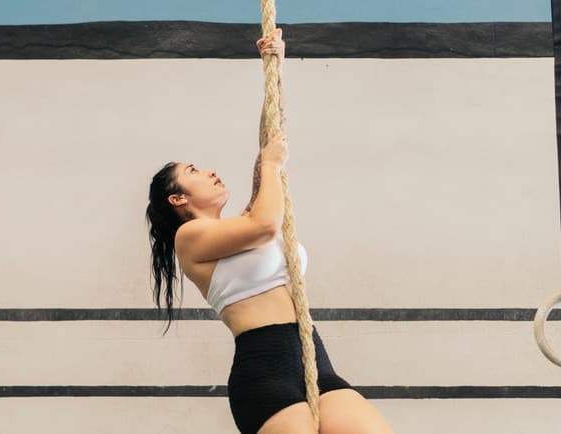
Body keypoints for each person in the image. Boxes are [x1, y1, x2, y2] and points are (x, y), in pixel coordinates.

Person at [144, 30, 395, 434]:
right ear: (178, 200)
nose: (209, 171)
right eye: (193, 172)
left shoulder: (240, 222)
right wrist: (272, 166)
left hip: (313, 357)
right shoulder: (189, 239)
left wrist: (274, 67)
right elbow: (265, 224)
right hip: (264, 373)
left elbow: (269, 143)